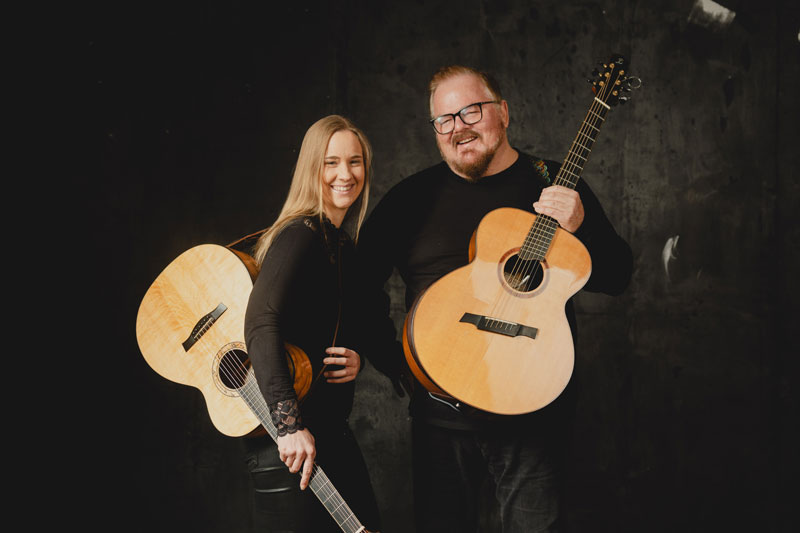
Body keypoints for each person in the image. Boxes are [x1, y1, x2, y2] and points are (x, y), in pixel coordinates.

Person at [358, 66, 634, 532]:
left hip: (534, 414)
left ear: (503, 112)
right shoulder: (410, 199)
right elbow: (359, 287)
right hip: (442, 417)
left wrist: (582, 225)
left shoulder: (556, 187)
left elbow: (618, 276)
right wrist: (401, 362)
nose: (457, 127)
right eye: (443, 120)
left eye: (471, 110)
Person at [243, 115, 381, 532]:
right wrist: (289, 427)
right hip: (291, 445)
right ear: (312, 169)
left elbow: (318, 323)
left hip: (326, 433)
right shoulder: (301, 233)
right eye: (331, 162)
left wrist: (355, 358)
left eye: (355, 162)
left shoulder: (337, 241)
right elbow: (260, 322)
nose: (345, 175)